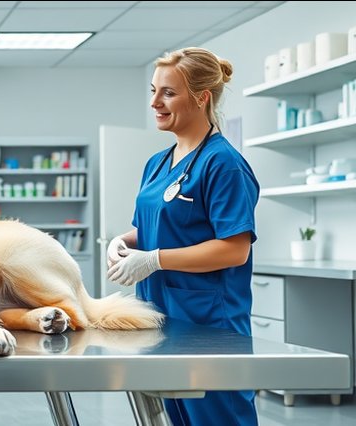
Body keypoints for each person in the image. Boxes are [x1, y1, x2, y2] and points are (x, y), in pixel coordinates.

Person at [105, 47, 260, 426]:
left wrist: (155, 258)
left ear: (201, 97)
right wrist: (124, 242)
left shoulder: (223, 163)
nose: (155, 102)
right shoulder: (157, 163)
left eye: (168, 93)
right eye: (153, 91)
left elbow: (234, 249)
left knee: (217, 418)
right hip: (160, 318)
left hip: (209, 326)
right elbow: (152, 228)